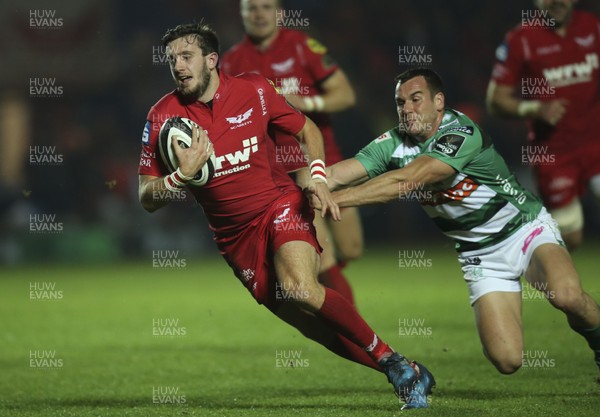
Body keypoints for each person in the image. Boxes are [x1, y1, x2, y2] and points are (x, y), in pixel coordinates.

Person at [137, 23, 434, 409]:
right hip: (235, 240)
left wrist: (319, 179)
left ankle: (393, 362)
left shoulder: (253, 90)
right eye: (171, 59)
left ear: (211, 60)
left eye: (186, 56)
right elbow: (146, 196)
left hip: (279, 206)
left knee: (300, 287)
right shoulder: (162, 118)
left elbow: (307, 130)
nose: (178, 65)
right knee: (317, 330)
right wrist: (181, 176)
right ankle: (405, 368)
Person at [310, 67, 600, 375]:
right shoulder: (392, 142)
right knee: (507, 360)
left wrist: (334, 200)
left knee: (567, 296)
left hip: (524, 230)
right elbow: (333, 174)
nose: (406, 109)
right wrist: (287, 186)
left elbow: (408, 179)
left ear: (438, 102)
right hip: (480, 254)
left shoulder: (460, 132)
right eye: (400, 102)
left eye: (415, 99)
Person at [221, 0, 363, 304]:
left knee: (351, 248)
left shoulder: (302, 46)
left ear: (280, 13)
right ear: (242, 15)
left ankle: (326, 288)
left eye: (266, 7)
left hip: (324, 156)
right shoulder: (232, 62)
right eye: (251, 8)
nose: (259, 14)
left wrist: (308, 103)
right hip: (283, 171)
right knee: (324, 254)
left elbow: (346, 94)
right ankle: (354, 330)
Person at [486, 0, 600, 250]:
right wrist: (534, 108)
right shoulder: (521, 39)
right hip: (554, 152)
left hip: (596, 142)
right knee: (570, 238)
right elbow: (496, 100)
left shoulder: (593, 27)